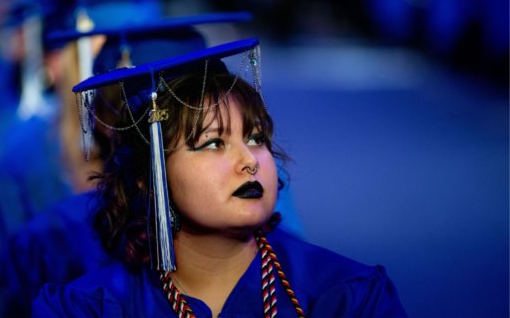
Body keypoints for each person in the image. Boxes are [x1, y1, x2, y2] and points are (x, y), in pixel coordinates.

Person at [33, 37, 407, 317]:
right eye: (212, 143)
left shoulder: (345, 297)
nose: (249, 161)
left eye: (256, 138)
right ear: (149, 175)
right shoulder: (90, 309)